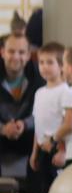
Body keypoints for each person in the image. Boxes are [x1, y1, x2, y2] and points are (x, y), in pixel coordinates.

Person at [25, 42, 65, 193]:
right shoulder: (39, 93)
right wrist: (34, 152)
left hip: (57, 148)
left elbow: (67, 124)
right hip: (42, 148)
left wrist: (62, 150)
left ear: (61, 66)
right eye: (41, 62)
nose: (44, 67)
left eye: (50, 62)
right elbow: (38, 124)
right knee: (43, 189)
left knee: (59, 190)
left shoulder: (65, 91)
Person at [0, 33, 41, 182]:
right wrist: (3, 129)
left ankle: (35, 191)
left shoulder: (40, 76)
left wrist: (24, 124)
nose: (16, 57)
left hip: (28, 133)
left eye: (22, 52)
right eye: (11, 51)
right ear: (2, 52)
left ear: (29, 55)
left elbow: (46, 112)